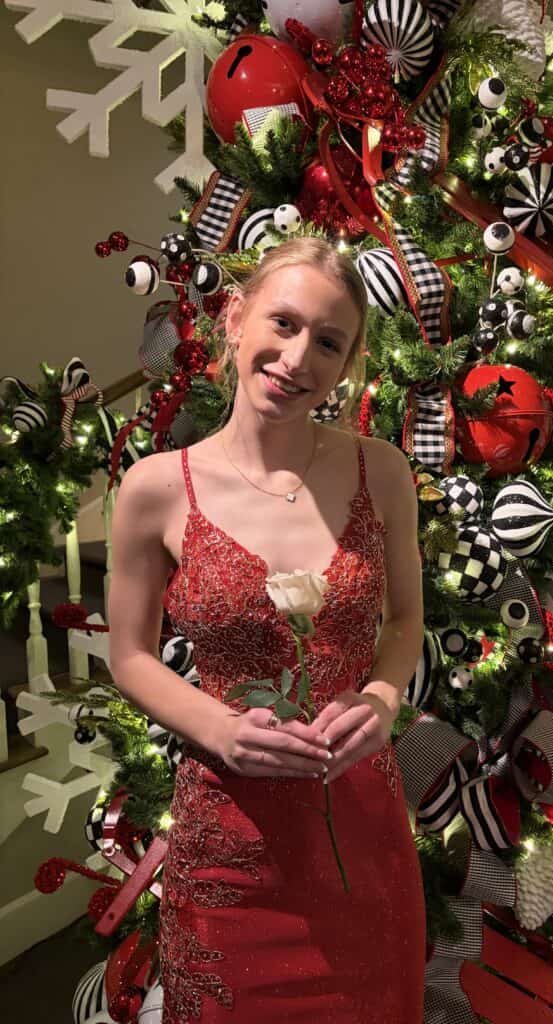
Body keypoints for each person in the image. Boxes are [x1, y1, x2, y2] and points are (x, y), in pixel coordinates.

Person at [108, 237, 426, 1022]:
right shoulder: (155, 489)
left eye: (328, 342)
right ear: (233, 317)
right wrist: (219, 727)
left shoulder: (380, 471)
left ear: (347, 365)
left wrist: (383, 698)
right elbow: (129, 655)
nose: (297, 357)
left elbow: (408, 618)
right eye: (282, 324)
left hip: (361, 833)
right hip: (227, 844)